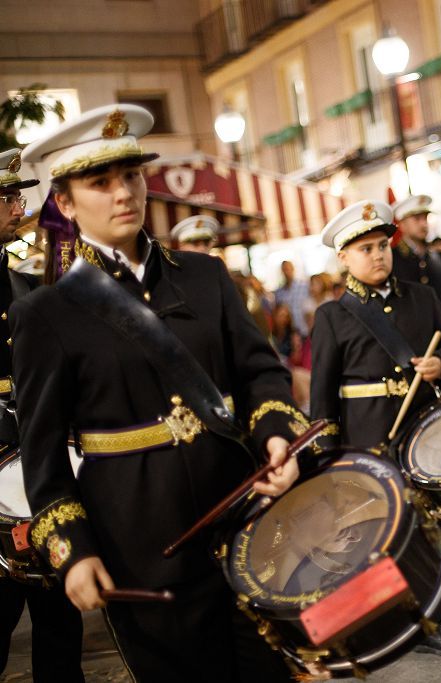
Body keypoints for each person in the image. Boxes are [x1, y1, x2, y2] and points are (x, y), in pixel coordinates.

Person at [15, 105, 303, 680]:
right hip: (141, 545)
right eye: (101, 182)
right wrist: (73, 550)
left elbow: (260, 373)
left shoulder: (205, 276)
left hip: (247, 516)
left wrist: (276, 437)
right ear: (65, 204)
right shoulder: (46, 313)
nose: (124, 192)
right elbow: (42, 455)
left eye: (131, 176)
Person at [308, 200, 441, 656]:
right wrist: (327, 459)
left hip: (425, 436)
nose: (377, 255)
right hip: (366, 442)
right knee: (377, 540)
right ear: (344, 258)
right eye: (365, 249)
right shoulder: (332, 316)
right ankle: (394, 627)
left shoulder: (423, 298)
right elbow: (321, 398)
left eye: (382, 245)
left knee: (431, 532)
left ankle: (431, 621)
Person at [0, 149, 85, 681]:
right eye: (6, 198)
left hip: (34, 465)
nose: (18, 206)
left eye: (16, 196)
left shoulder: (20, 284)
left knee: (59, 630)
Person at [391, 195, 441, 323]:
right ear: (402, 224)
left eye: (425, 218)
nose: (424, 224)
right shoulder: (392, 259)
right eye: (417, 219)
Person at [274, 259, 309, 338]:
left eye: (288, 269)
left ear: (293, 269)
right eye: (284, 269)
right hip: (290, 334)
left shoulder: (304, 286)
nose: (286, 272)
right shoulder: (279, 293)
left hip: (305, 329)